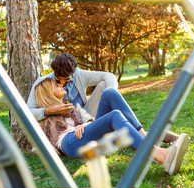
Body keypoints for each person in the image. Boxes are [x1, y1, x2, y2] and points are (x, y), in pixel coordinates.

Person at [35, 78, 189, 175]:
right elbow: (45, 143)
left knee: (109, 93)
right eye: (56, 85)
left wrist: (85, 124)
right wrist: (70, 132)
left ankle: (145, 139)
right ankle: (161, 156)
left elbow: (89, 121)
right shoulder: (46, 119)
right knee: (114, 116)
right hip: (70, 143)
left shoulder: (71, 108)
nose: (62, 85)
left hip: (84, 136)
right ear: (48, 93)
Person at [27, 52, 182, 144]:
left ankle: (142, 136)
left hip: (86, 116)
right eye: (59, 80)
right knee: (116, 133)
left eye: (67, 81)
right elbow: (28, 112)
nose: (62, 84)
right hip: (66, 127)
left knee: (106, 89)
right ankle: (153, 136)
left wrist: (111, 96)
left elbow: (108, 76)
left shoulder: (80, 75)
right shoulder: (44, 83)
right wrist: (49, 110)